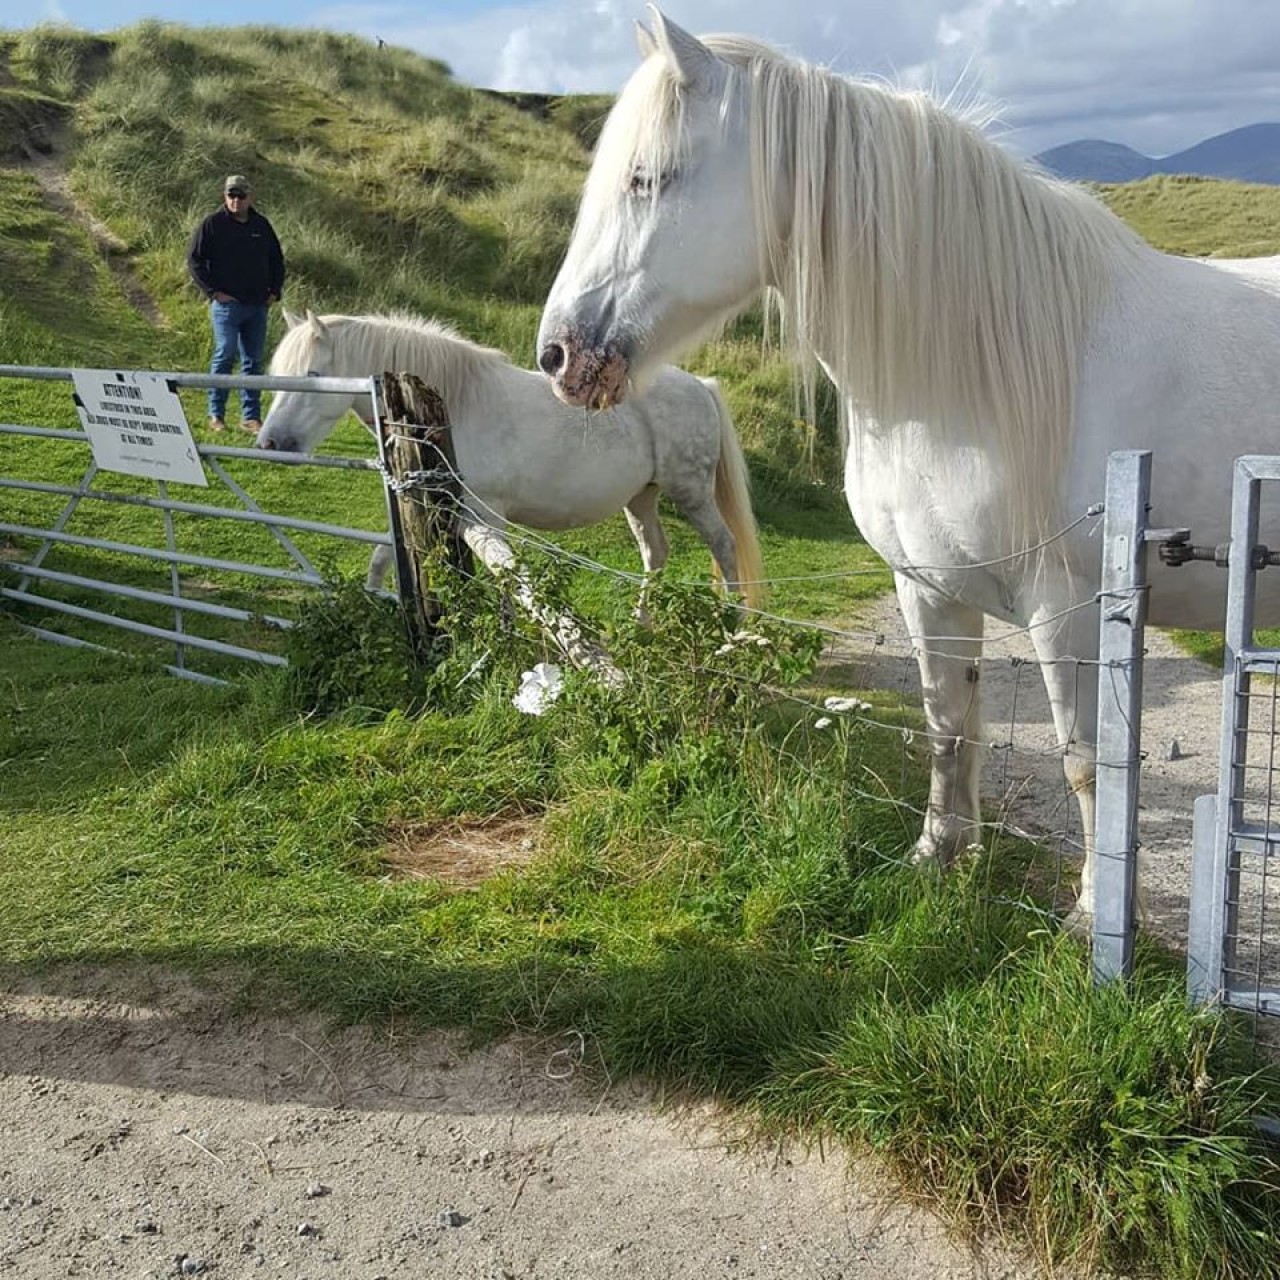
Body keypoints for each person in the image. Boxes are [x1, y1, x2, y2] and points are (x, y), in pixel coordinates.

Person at [187, 174, 285, 433]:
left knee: (252, 361)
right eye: (231, 195)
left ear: (249, 197)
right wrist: (213, 292)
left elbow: (276, 259)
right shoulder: (212, 224)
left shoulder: (261, 225)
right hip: (227, 305)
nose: (236, 200)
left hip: (257, 305)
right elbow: (194, 260)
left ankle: (250, 417)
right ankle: (216, 414)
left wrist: (275, 291)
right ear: (225, 196)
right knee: (225, 353)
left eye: (241, 195)